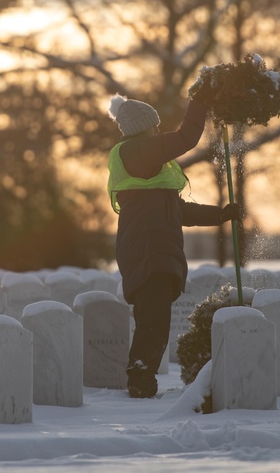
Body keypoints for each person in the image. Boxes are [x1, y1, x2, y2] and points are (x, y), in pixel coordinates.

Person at [106, 93, 240, 398]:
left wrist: (220, 214)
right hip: (149, 252)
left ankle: (141, 375)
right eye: (154, 126)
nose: (157, 131)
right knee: (153, 321)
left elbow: (180, 212)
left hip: (152, 251)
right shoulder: (138, 151)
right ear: (145, 128)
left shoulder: (148, 176)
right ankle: (140, 378)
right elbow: (186, 137)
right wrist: (202, 98)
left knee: (154, 319)